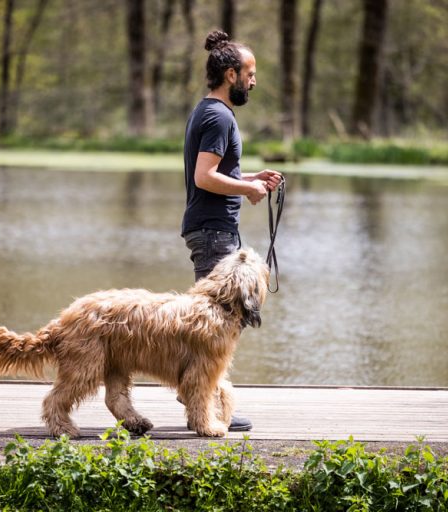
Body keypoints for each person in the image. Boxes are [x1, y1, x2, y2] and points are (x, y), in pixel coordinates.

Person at [180, 30, 283, 431]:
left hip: (212, 229)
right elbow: (205, 177)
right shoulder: (218, 116)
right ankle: (204, 403)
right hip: (212, 233)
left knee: (217, 323)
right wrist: (249, 188)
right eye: (250, 73)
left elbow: (216, 171)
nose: (253, 81)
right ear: (230, 74)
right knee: (215, 326)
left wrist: (251, 176)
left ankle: (201, 397)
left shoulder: (210, 112)